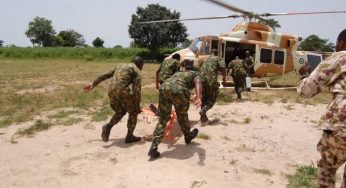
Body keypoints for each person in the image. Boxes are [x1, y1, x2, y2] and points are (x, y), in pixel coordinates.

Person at [297, 29, 346, 188]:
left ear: (341, 43)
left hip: (342, 126)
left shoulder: (340, 57)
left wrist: (305, 76)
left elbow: (307, 90)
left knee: (328, 167)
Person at [148, 61, 202, 159]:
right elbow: (198, 82)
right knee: (182, 115)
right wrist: (198, 97)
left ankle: (153, 147)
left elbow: (176, 84)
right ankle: (187, 136)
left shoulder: (178, 73)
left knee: (163, 119)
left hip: (164, 88)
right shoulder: (196, 73)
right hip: (179, 90)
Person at [84, 56, 144, 144]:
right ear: (140, 64)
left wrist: (93, 84)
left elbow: (105, 75)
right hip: (122, 91)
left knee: (120, 112)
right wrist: (137, 106)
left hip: (111, 91)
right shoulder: (136, 70)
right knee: (133, 112)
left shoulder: (120, 65)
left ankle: (108, 126)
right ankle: (129, 136)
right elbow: (137, 90)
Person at [200, 49, 227, 122]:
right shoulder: (218, 58)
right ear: (217, 53)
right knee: (212, 98)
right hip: (211, 81)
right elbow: (223, 68)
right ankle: (204, 110)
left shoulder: (205, 59)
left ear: (210, 53)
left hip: (201, 80)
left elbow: (199, 67)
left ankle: (203, 117)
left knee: (204, 98)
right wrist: (224, 78)